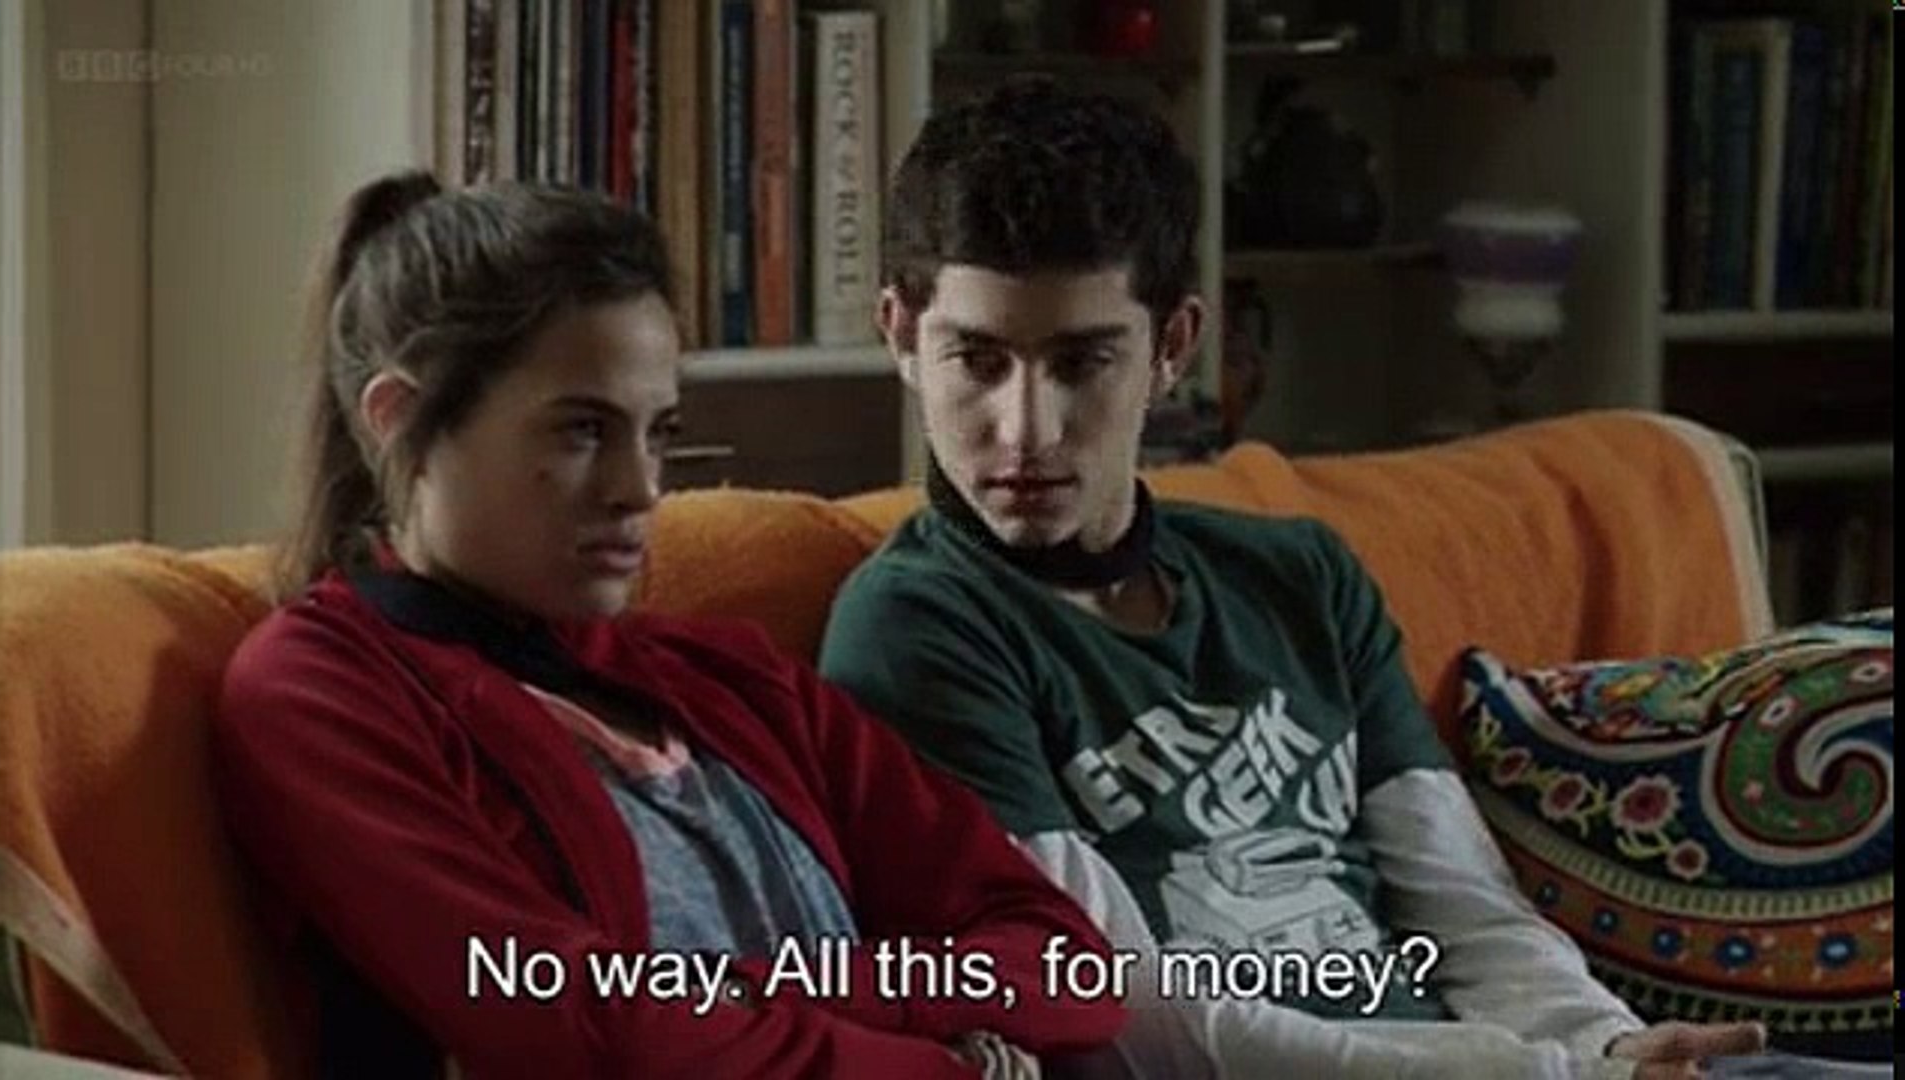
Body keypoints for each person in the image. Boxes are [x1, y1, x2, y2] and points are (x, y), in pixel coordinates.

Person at [817, 80, 1771, 1080]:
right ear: (902, 336)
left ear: (1173, 346)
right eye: (977, 360)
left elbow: (1464, 903)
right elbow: (1113, 1012)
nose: (1025, 430)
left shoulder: (1297, 575)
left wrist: (1605, 1038)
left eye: (1081, 362)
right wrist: (1546, 1074)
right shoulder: (917, 625)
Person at [211, 171, 1126, 1078]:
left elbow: (1069, 965)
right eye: (582, 431)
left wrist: (775, 991)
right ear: (400, 419)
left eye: (658, 434)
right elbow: (583, 1030)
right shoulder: (319, 691)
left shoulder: (735, 682)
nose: (640, 489)